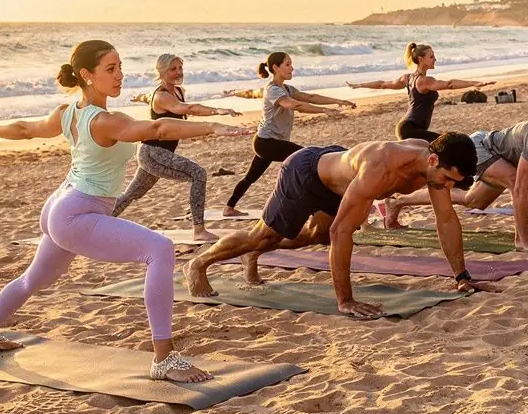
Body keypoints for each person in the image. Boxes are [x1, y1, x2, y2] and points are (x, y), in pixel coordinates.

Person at [0, 39, 247, 383]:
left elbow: (25, 130)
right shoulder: (105, 121)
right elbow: (157, 128)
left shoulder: (67, 112)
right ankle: (164, 359)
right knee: (160, 249)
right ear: (86, 75)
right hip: (77, 213)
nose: (120, 75)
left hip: (60, 205)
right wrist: (212, 127)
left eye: (121, 67)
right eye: (110, 69)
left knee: (34, 280)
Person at [187, 133, 493, 318]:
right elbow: (342, 232)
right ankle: (199, 264)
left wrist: (462, 277)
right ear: (432, 160)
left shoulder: (434, 166)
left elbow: (447, 219)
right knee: (264, 236)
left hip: (339, 176)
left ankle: (252, 254)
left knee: (314, 237)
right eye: (448, 178)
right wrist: (345, 300)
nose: (448, 185)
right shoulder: (381, 167)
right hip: (306, 174)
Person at [384, 115, 528, 254]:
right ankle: (520, 240)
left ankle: (398, 202)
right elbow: (522, 188)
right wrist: (525, 238)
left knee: (473, 201)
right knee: (517, 183)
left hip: (503, 160)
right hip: (484, 147)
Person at [112, 53, 240, 242]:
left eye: (180, 68)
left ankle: (98, 222)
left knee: (132, 194)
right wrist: (217, 111)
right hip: (153, 152)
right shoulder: (162, 96)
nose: (178, 72)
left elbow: (163, 101)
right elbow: (187, 109)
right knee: (198, 174)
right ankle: (199, 230)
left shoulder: (177, 91)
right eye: (173, 69)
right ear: (162, 72)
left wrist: (139, 97)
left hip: (157, 153)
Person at [223, 51, 355, 216]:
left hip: (267, 142)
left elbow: (310, 97)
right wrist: (324, 111)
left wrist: (338, 101)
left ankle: (229, 208)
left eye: (291, 64)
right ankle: (325, 209)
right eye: (288, 64)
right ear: (275, 68)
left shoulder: (286, 88)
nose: (292, 68)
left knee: (251, 177)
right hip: (268, 143)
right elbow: (294, 105)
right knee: (308, 163)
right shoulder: (273, 90)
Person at [347, 42, 492, 141]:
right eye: (431, 56)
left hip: (406, 127)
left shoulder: (408, 78)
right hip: (411, 129)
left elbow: (383, 85)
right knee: (452, 142)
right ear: (421, 59)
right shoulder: (424, 81)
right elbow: (449, 84)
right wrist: (474, 83)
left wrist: (360, 85)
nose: (435, 59)